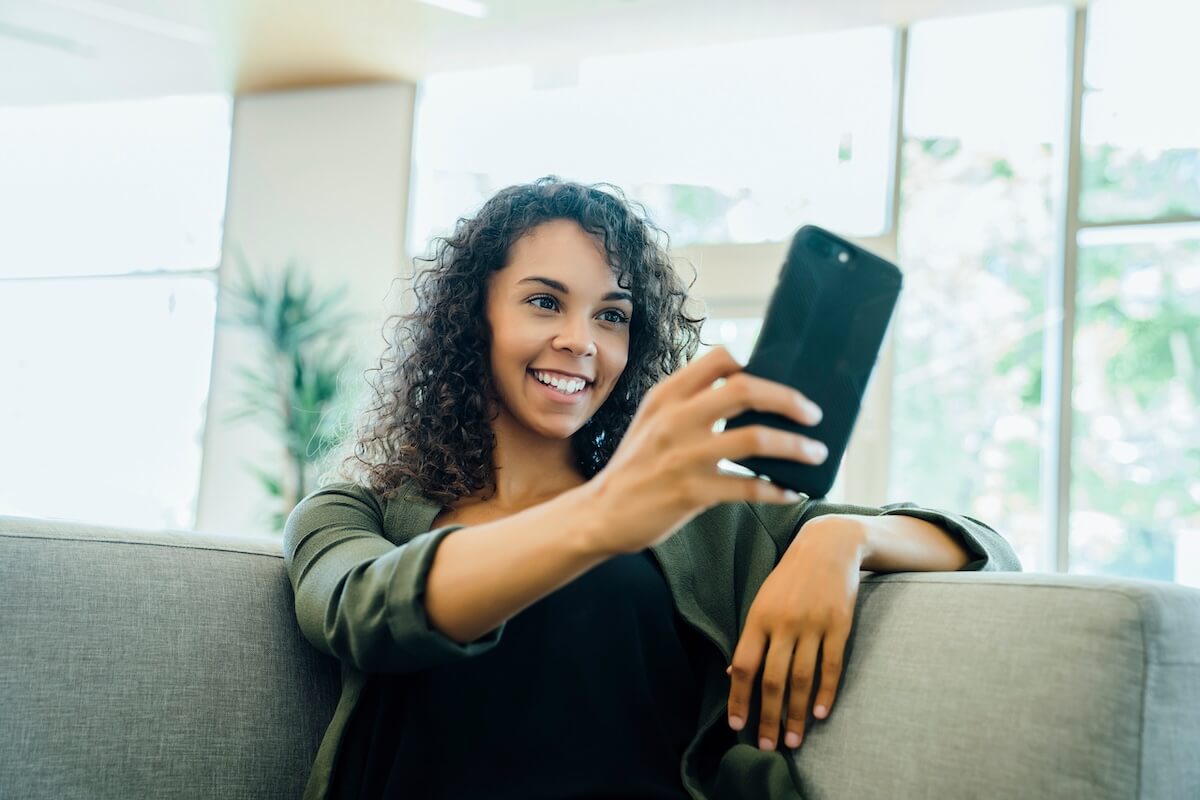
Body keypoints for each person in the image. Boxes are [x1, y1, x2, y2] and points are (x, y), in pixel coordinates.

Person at [282, 176, 1022, 800]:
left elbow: (986, 548)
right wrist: (597, 519)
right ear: (471, 316)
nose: (582, 340)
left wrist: (842, 536)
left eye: (612, 316)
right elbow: (363, 611)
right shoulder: (357, 511)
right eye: (544, 302)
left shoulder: (688, 512)